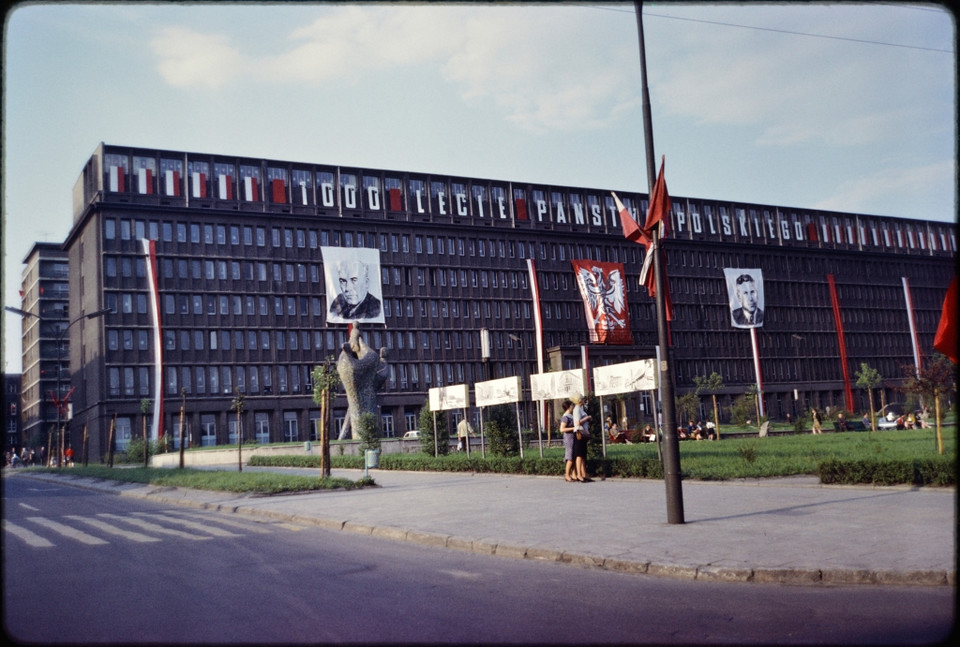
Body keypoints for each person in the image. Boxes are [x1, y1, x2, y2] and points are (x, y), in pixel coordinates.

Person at [572, 394, 592, 482]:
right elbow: (577, 423)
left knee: (583, 455)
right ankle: (579, 474)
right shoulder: (576, 409)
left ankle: (584, 474)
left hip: (582, 433)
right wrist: (587, 418)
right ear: (579, 400)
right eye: (583, 399)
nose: (584, 400)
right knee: (579, 455)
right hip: (579, 433)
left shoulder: (580, 409)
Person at [559, 399, 577, 482]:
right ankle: (567, 474)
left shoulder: (570, 415)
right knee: (569, 456)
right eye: (572, 405)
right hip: (568, 438)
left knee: (573, 456)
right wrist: (573, 428)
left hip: (572, 437)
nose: (573, 407)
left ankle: (573, 474)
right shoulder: (566, 417)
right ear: (569, 406)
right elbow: (562, 429)